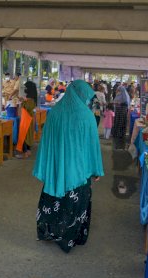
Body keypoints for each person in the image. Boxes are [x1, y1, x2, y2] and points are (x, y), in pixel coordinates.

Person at [33, 80, 104, 253]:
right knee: (76, 204)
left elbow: (47, 141)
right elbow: (92, 145)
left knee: (53, 200)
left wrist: (48, 165)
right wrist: (96, 169)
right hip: (79, 171)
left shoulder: (55, 112)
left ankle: (49, 232)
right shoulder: (87, 116)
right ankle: (72, 237)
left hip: (57, 169)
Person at [16, 81, 37, 158]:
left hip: (27, 121)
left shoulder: (30, 100)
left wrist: (22, 101)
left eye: (26, 88)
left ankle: (25, 153)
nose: (24, 89)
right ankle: (28, 151)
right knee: (28, 136)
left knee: (24, 136)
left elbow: (27, 108)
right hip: (28, 120)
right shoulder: (31, 98)